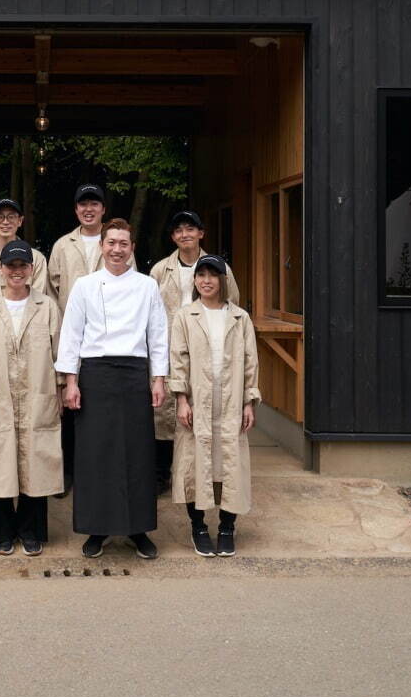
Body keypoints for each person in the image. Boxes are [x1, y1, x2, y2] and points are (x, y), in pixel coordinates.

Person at [55, 218, 168, 560]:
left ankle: (138, 528)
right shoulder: (85, 286)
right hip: (95, 374)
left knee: (137, 453)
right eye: (111, 243)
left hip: (134, 372)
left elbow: (157, 335)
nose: (117, 249)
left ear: (132, 248)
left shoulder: (147, 286)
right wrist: (71, 382)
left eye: (124, 243)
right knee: (95, 454)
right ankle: (97, 527)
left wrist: (158, 379)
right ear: (102, 247)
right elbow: (72, 335)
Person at [0, 240, 63, 555]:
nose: (17, 271)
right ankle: (2, 531)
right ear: (1, 269)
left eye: (23, 265)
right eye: (11, 265)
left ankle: (31, 530)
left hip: (38, 394)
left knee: (35, 460)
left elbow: (59, 354)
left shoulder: (47, 306)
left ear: (32, 269)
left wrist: (61, 391)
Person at [168, 254, 260, 557]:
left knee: (230, 464)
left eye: (213, 275)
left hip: (231, 402)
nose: (207, 280)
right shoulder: (185, 316)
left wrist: (249, 401)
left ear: (223, 280)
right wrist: (181, 399)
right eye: (201, 275)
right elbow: (178, 360)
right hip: (197, 402)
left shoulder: (240, 317)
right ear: (195, 281)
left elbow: (250, 363)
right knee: (197, 465)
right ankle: (198, 528)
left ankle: (227, 527)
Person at [148, 210, 241, 494]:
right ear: (173, 237)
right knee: (164, 415)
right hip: (169, 350)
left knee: (207, 410)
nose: (184, 234)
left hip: (209, 351)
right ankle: (162, 474)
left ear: (201, 233)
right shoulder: (160, 270)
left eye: (190, 229)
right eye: (178, 230)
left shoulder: (218, 267)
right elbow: (151, 314)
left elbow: (232, 307)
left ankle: (207, 474)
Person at [45, 183, 107, 491]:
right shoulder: (62, 245)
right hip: (68, 334)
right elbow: (51, 290)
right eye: (83, 204)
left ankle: (93, 472)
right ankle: (67, 471)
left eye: (94, 203)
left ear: (103, 210)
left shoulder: (114, 243)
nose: (88, 209)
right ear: (76, 209)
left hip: (104, 337)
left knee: (96, 402)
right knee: (67, 401)